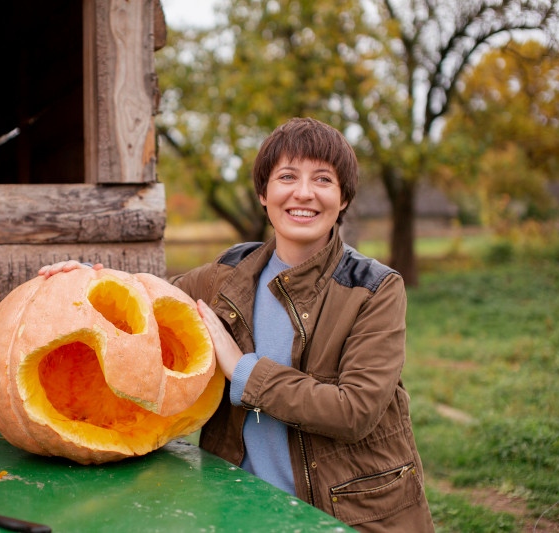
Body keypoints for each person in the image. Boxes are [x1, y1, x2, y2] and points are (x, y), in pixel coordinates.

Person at [39, 117, 434, 532]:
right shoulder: (228, 274)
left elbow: (355, 411)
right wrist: (86, 277)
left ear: (343, 198)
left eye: (323, 179)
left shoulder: (374, 289)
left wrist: (241, 368)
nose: (304, 193)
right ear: (264, 194)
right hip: (242, 507)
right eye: (287, 176)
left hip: (345, 514)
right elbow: (150, 308)